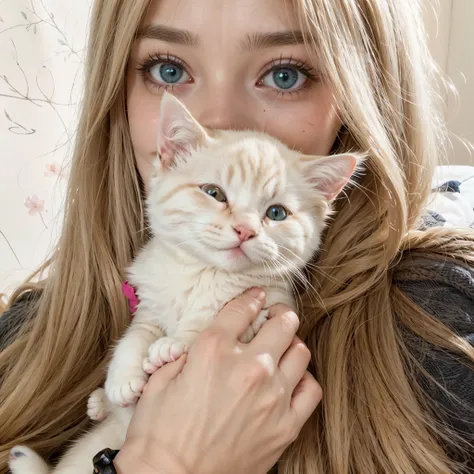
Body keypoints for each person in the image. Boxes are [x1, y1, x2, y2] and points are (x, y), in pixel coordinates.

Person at [1, 0, 473, 473]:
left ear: (360, 101)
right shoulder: (21, 339)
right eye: (168, 69)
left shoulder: (443, 326)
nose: (221, 123)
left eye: (285, 75)